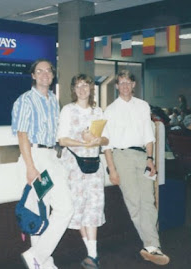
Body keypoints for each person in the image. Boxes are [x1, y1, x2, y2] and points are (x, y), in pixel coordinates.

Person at [102, 70, 170, 266]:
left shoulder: (143, 106)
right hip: (121, 156)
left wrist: (150, 159)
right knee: (134, 203)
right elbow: (106, 145)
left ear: (133, 85)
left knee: (148, 200)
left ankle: (151, 246)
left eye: (127, 83)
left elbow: (149, 135)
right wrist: (112, 169)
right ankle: (152, 245)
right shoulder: (110, 110)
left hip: (142, 156)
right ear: (116, 86)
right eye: (120, 83)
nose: (124, 86)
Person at [11, 59, 74, 269]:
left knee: (48, 210)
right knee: (57, 209)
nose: (45, 74)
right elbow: (22, 134)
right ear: (33, 75)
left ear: (52, 75)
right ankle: (39, 258)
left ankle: (40, 259)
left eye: (48, 71)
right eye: (40, 71)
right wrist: (30, 167)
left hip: (49, 157)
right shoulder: (26, 100)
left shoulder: (53, 101)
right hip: (35, 157)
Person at [57, 74, 109, 269]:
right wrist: (83, 142)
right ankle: (92, 255)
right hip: (73, 166)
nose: (82, 89)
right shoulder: (68, 110)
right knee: (79, 208)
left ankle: (92, 255)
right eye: (78, 85)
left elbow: (106, 139)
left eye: (85, 85)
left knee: (93, 207)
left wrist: (97, 141)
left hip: (94, 166)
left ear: (90, 89)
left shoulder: (98, 111)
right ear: (73, 89)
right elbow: (62, 139)